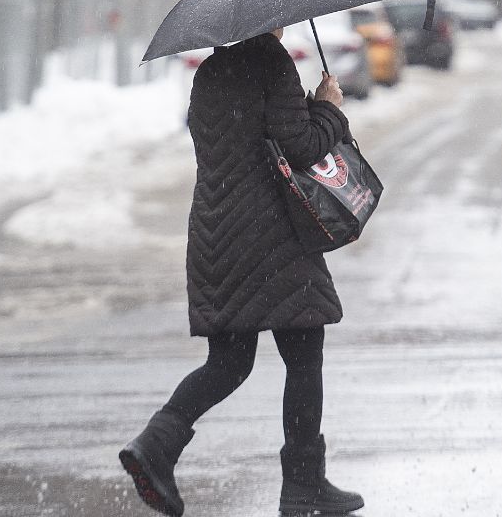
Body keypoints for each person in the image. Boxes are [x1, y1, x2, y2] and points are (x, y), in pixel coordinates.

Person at [119, 26, 364, 517]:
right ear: (271, 20)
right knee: (303, 352)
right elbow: (300, 146)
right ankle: (302, 485)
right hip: (272, 233)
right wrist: (329, 108)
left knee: (229, 362)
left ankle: (157, 443)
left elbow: (233, 142)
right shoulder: (273, 63)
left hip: (216, 233)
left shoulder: (210, 71)